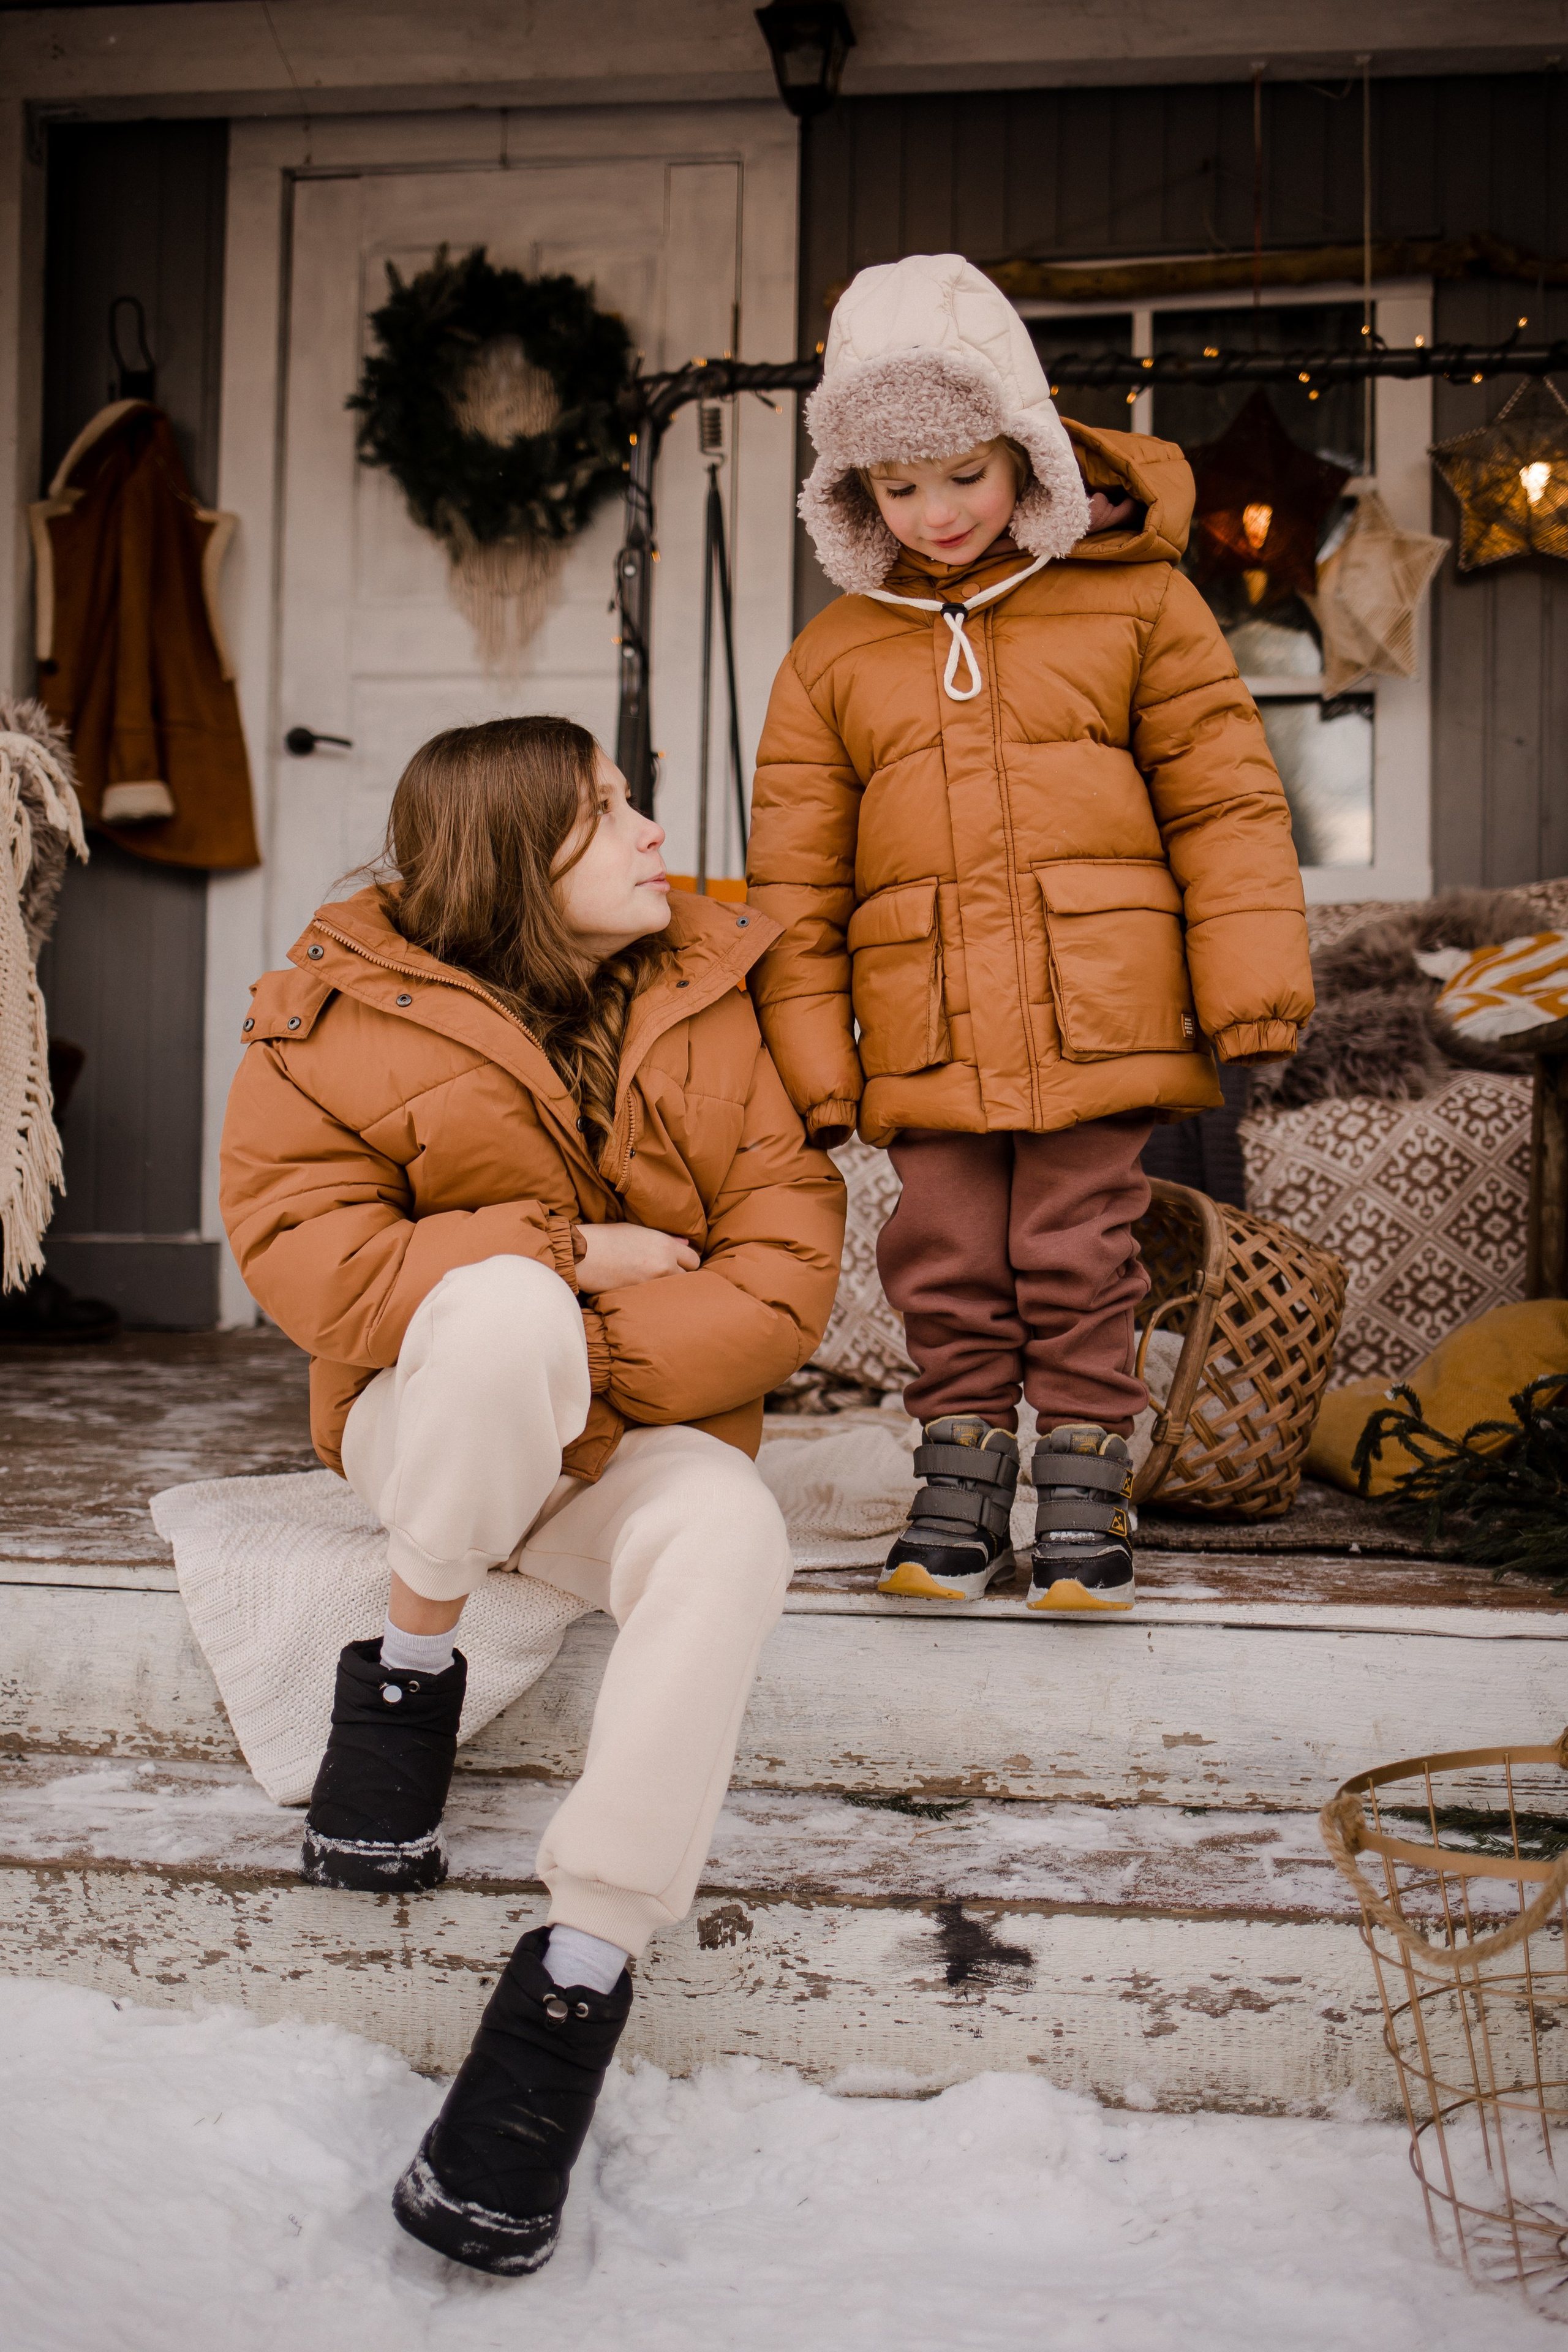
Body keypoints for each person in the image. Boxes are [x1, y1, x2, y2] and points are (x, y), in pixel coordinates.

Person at [220, 715, 845, 2275]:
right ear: (513, 857)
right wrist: (557, 1262)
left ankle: (573, 1977)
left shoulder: (711, 990)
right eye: (607, 813)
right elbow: (318, 1268)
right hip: (420, 1419)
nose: (650, 833)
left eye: (634, 802)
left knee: (729, 1526)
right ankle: (410, 1664)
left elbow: (782, 1278)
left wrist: (574, 1364)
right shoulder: (331, 1006)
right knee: (497, 1308)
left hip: (603, 1430)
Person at [746, 253, 1311, 1616]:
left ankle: (1079, 1485)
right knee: (939, 1254)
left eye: (963, 475)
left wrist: (1247, 981)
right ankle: (956, 1485)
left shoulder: (1137, 601)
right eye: (897, 487)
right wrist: (813, 1061)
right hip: (925, 1023)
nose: (935, 514)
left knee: (1076, 1245)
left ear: (1026, 456)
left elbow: (1222, 795)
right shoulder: (834, 654)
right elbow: (793, 880)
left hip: (1099, 1006)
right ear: (852, 495)